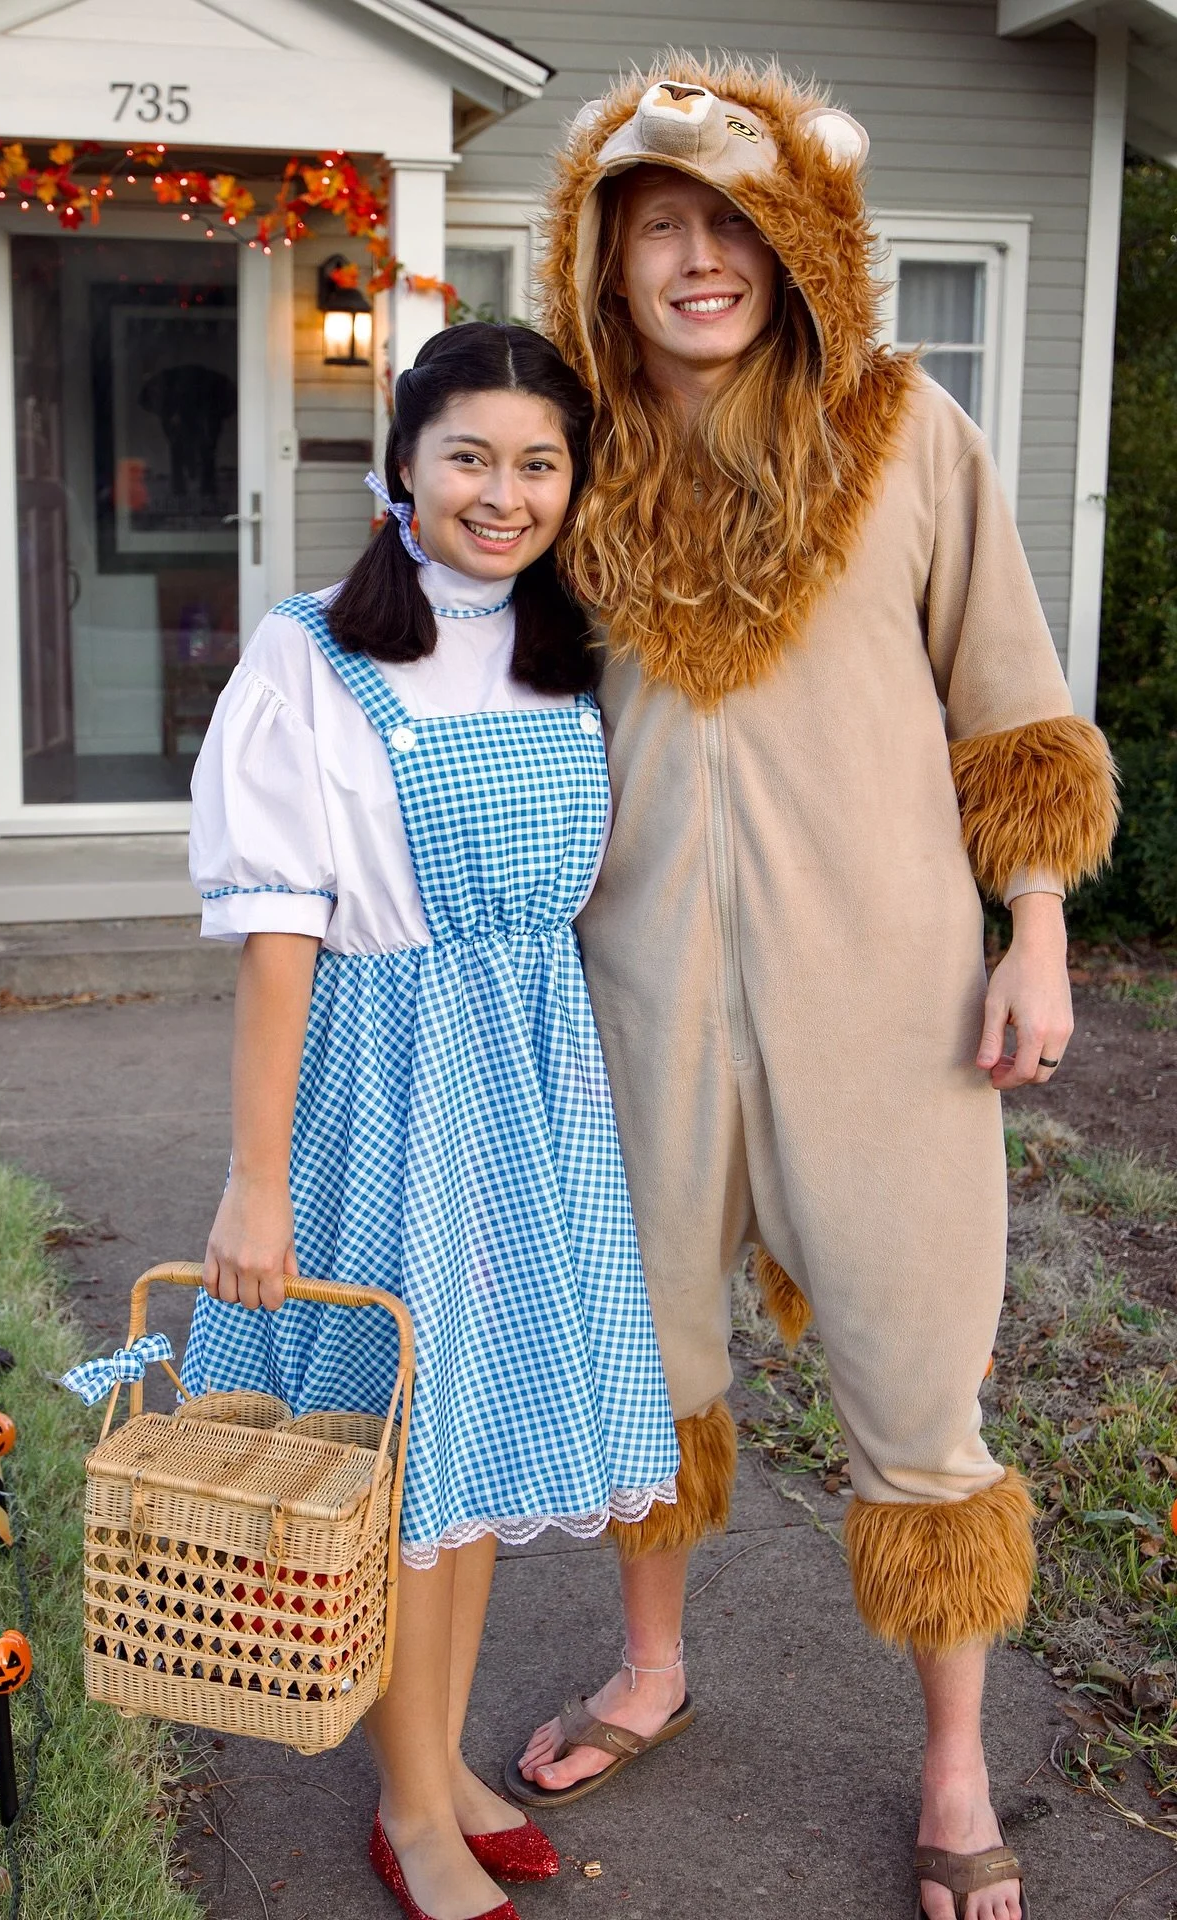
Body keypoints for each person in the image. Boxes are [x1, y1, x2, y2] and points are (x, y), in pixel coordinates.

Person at [509, 61, 1118, 1920]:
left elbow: (1006, 690)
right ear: (602, 268)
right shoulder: (565, 456)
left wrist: (1035, 925)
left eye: (726, 224)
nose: (693, 262)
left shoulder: (907, 429)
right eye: (653, 233)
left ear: (796, 241)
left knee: (923, 1376)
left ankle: (951, 1767)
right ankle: (652, 1663)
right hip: (632, 993)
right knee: (648, 1359)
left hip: (892, 997)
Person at [182, 321, 682, 1920]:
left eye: (540, 462)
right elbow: (279, 946)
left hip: (532, 1072)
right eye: (470, 454)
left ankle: (446, 1759)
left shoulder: (562, 642)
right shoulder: (313, 650)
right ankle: (410, 1809)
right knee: (406, 1458)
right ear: (402, 463)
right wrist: (256, 1186)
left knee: (464, 1449)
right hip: (392, 1076)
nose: (505, 491)